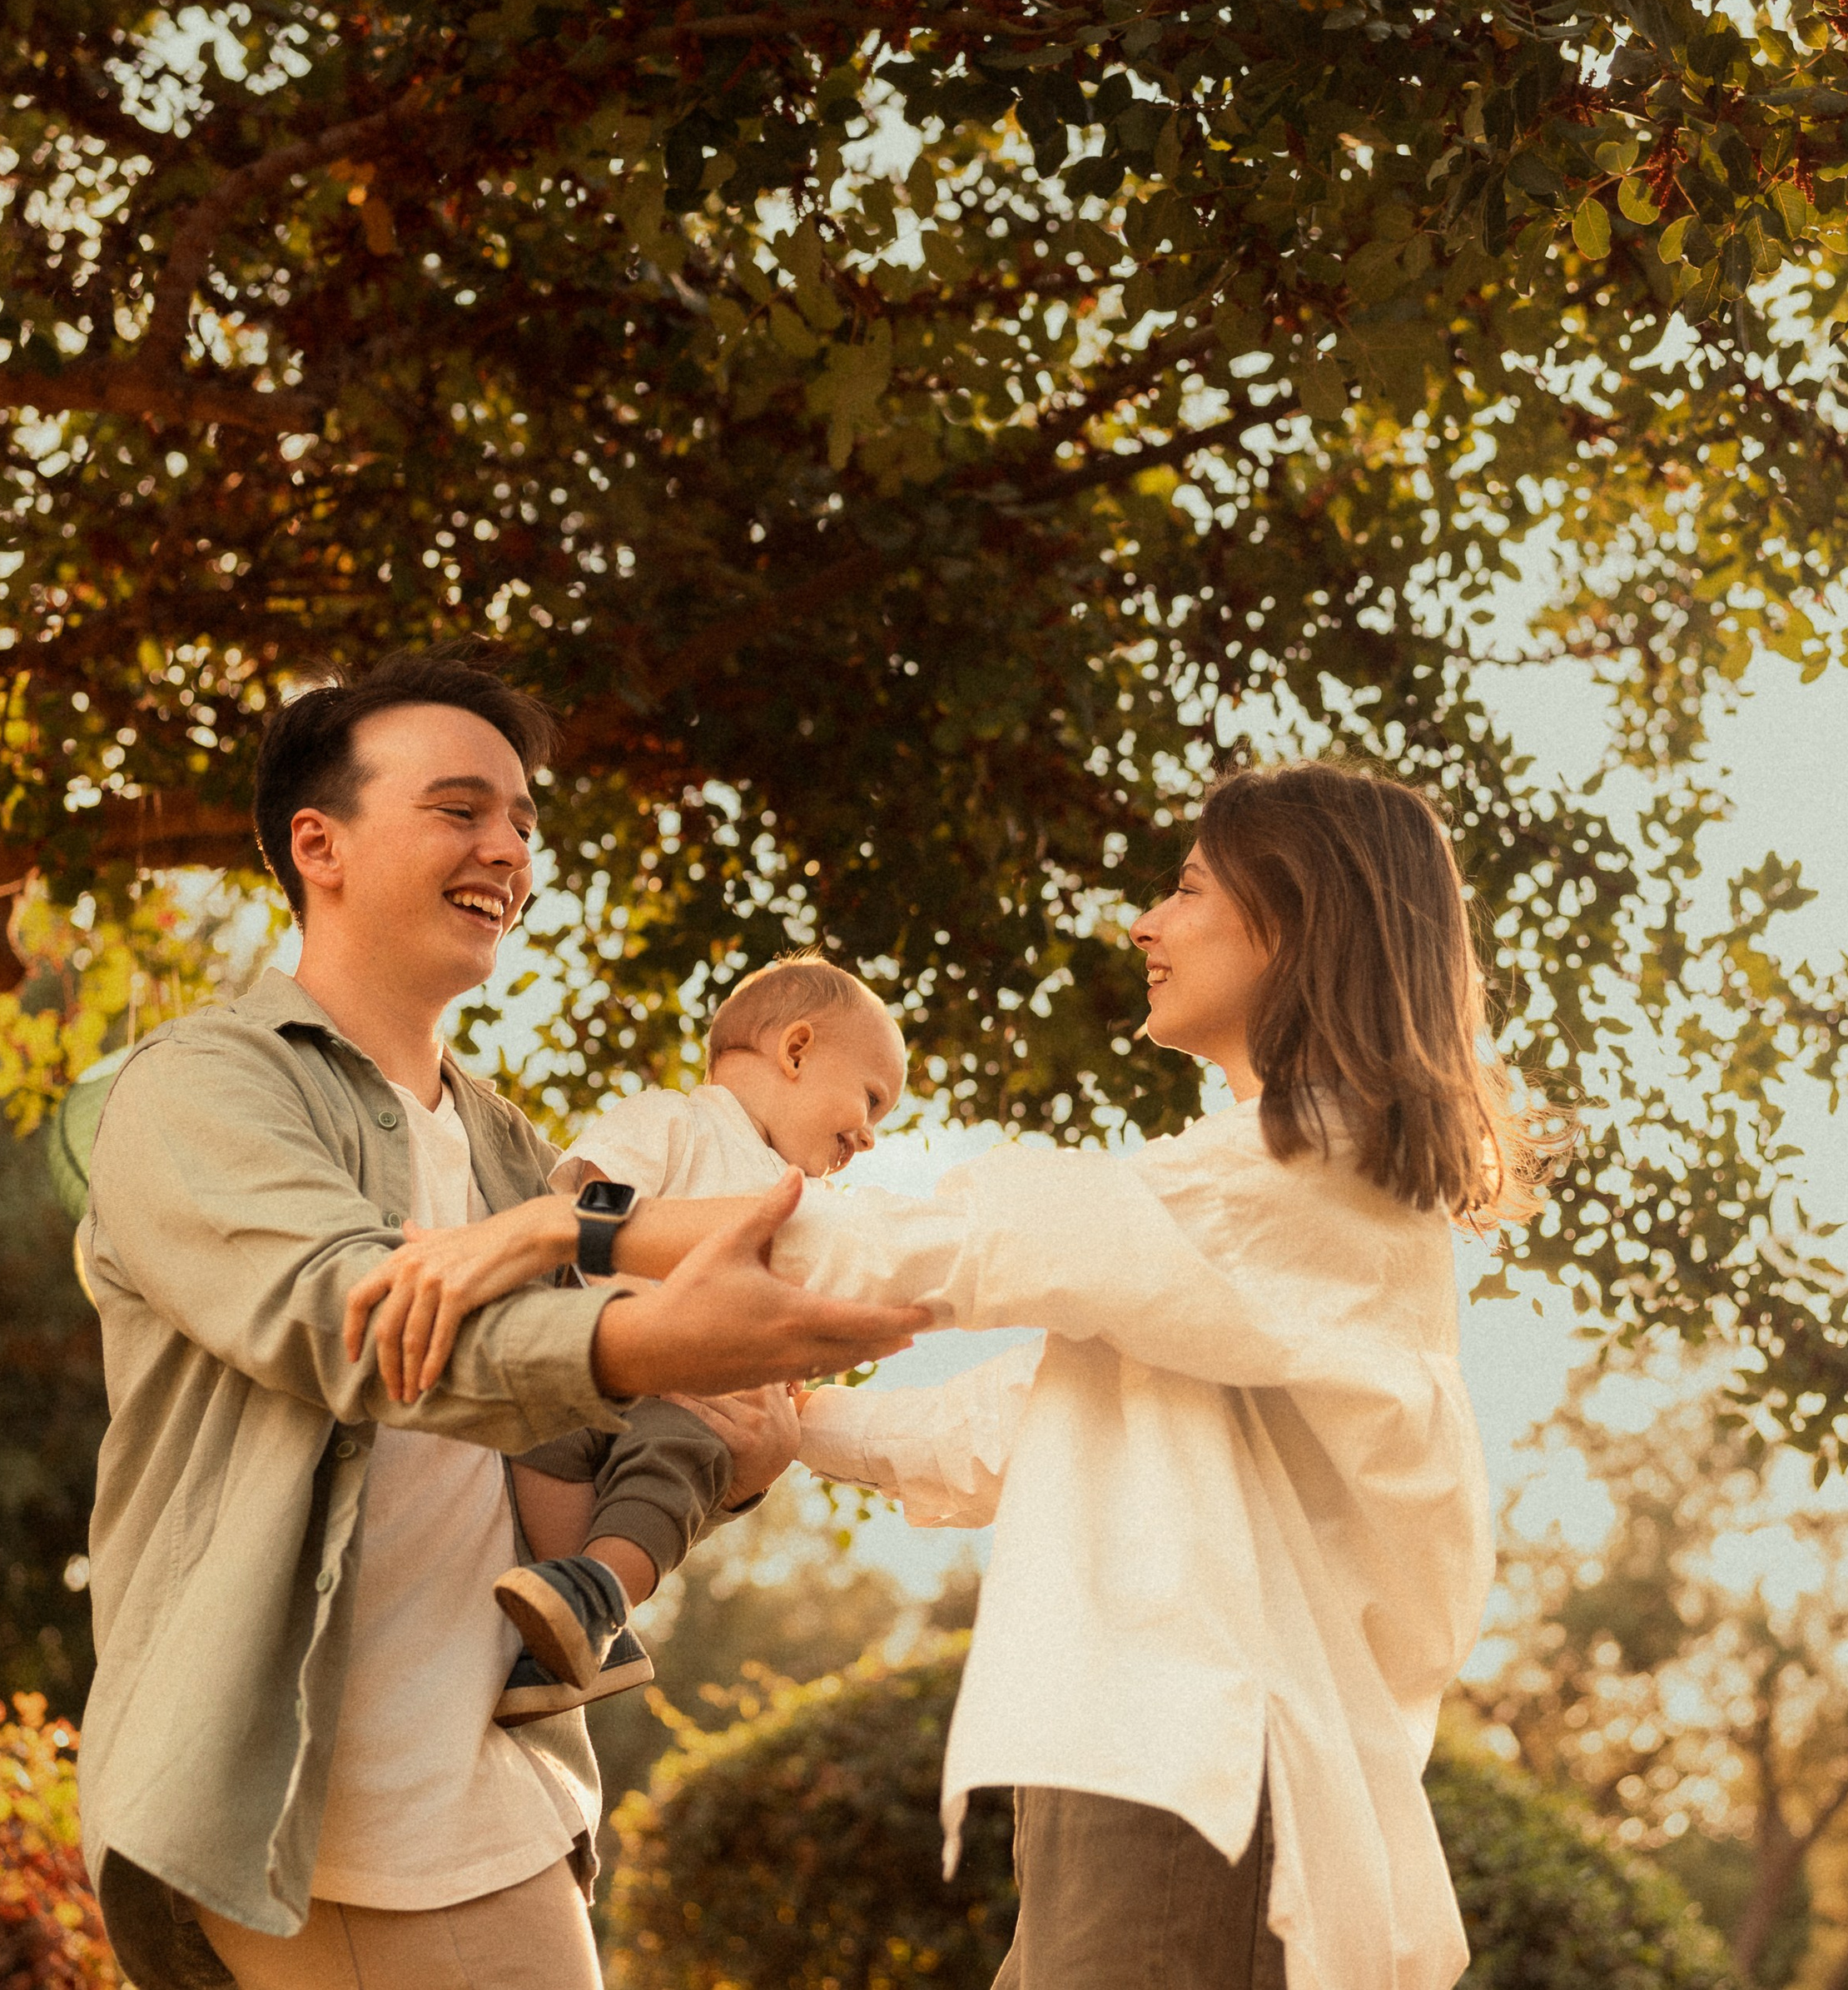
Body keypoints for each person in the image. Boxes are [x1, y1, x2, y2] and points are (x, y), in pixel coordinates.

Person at [77, 648, 926, 1990]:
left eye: (524, 822)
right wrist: (646, 1339)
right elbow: (352, 1326)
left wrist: (735, 1459)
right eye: (460, 809)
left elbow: (579, 1441)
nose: (509, 850)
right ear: (319, 845)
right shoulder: (199, 1090)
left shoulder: (506, 1144)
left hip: (494, 1794)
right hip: (330, 1824)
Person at [776, 762, 1567, 1990]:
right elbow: (1004, 1424)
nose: (1146, 924)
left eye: (1189, 888)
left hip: (1200, 1761)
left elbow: (962, 1240)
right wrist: (788, 1423)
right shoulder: (1240, 1229)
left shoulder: (1300, 1171)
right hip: (1137, 1759)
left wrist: (594, 1239)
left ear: (1294, 917)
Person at [342, 953, 907, 1725]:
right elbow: (591, 1200)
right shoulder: (681, 1122)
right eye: (871, 1099)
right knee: (539, 1439)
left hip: (689, 1407)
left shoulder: (813, 1203)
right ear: (797, 1049)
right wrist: (633, 1305)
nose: (870, 1136)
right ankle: (578, 1609)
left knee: (677, 1462)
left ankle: (592, 1601)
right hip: (591, 1361)